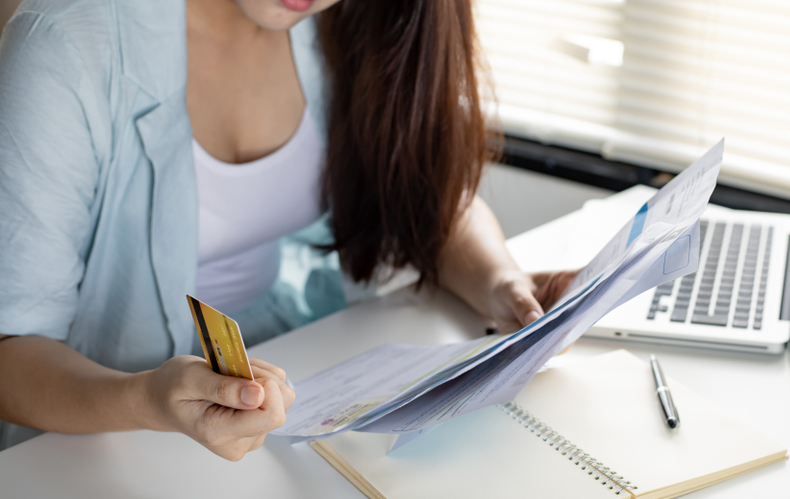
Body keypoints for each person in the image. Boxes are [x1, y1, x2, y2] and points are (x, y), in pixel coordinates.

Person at [0, 0, 574, 459]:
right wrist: (146, 398)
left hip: (294, 384)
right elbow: (10, 350)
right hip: (94, 435)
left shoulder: (345, 20)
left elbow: (426, 195)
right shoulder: (67, 43)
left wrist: (499, 281)